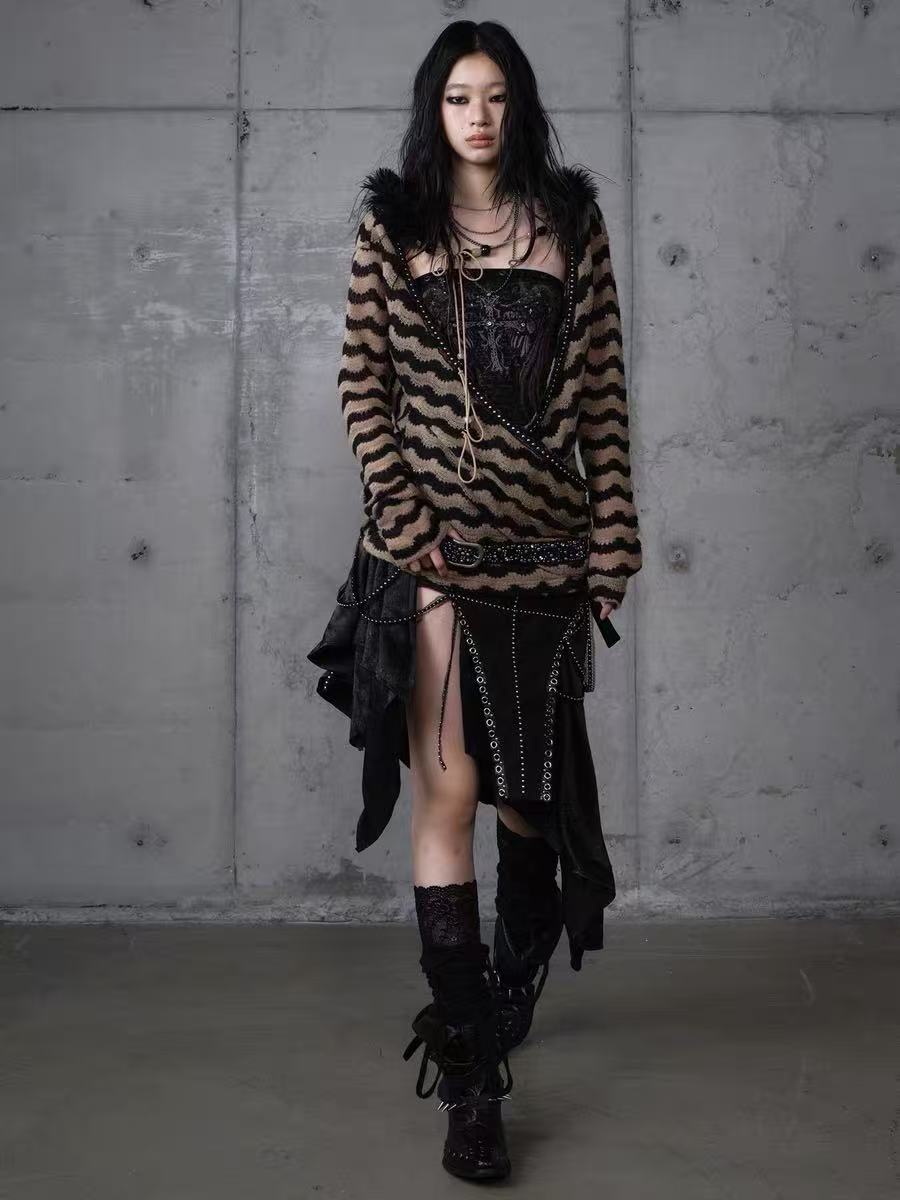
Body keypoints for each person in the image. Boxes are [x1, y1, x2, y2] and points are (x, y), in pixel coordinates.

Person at [307, 18, 642, 1183]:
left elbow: (604, 398)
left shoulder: (571, 225)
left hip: (545, 558)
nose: (479, 116)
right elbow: (362, 384)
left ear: (520, 105)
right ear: (434, 109)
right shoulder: (394, 226)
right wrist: (402, 520)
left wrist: (614, 533)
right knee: (447, 795)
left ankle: (513, 970)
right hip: (433, 558)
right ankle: (468, 1072)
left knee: (529, 808)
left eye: (496, 95)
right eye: (459, 96)